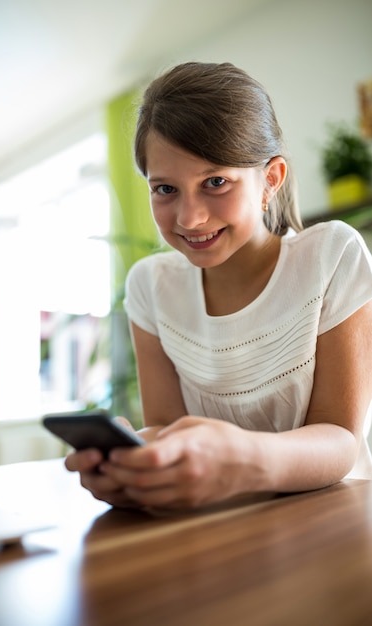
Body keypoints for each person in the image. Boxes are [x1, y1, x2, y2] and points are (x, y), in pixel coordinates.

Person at [66, 61, 372, 512]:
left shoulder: (331, 256)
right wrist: (135, 465)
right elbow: (168, 430)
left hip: (329, 524)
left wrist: (243, 458)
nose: (190, 218)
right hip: (215, 528)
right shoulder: (151, 286)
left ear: (270, 179)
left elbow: (342, 440)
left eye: (215, 182)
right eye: (165, 189)